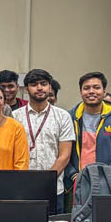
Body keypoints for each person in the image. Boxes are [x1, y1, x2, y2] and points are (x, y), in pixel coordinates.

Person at [12, 69, 75, 199]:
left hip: (52, 187)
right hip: (21, 187)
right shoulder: (15, 117)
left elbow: (64, 156)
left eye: (44, 84)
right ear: (26, 89)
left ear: (50, 87)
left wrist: (45, 181)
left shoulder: (63, 116)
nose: (39, 88)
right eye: (34, 84)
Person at [65, 72, 111, 194]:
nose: (91, 91)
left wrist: (102, 177)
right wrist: (73, 175)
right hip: (77, 182)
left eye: (96, 87)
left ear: (104, 92)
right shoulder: (69, 117)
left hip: (108, 183)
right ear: (80, 92)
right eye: (86, 88)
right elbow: (63, 152)